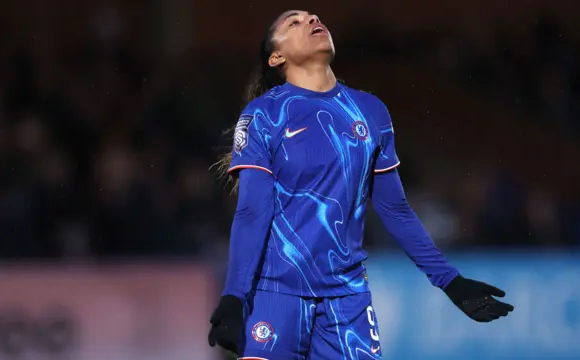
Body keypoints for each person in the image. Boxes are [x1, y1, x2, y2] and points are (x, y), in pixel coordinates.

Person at [208, 10, 513, 360]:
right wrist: (235, 296)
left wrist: (451, 282)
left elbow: (395, 209)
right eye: (294, 22)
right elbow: (251, 213)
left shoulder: (370, 112)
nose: (311, 20)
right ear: (277, 57)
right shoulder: (264, 116)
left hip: (348, 303)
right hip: (277, 295)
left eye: (312, 16)